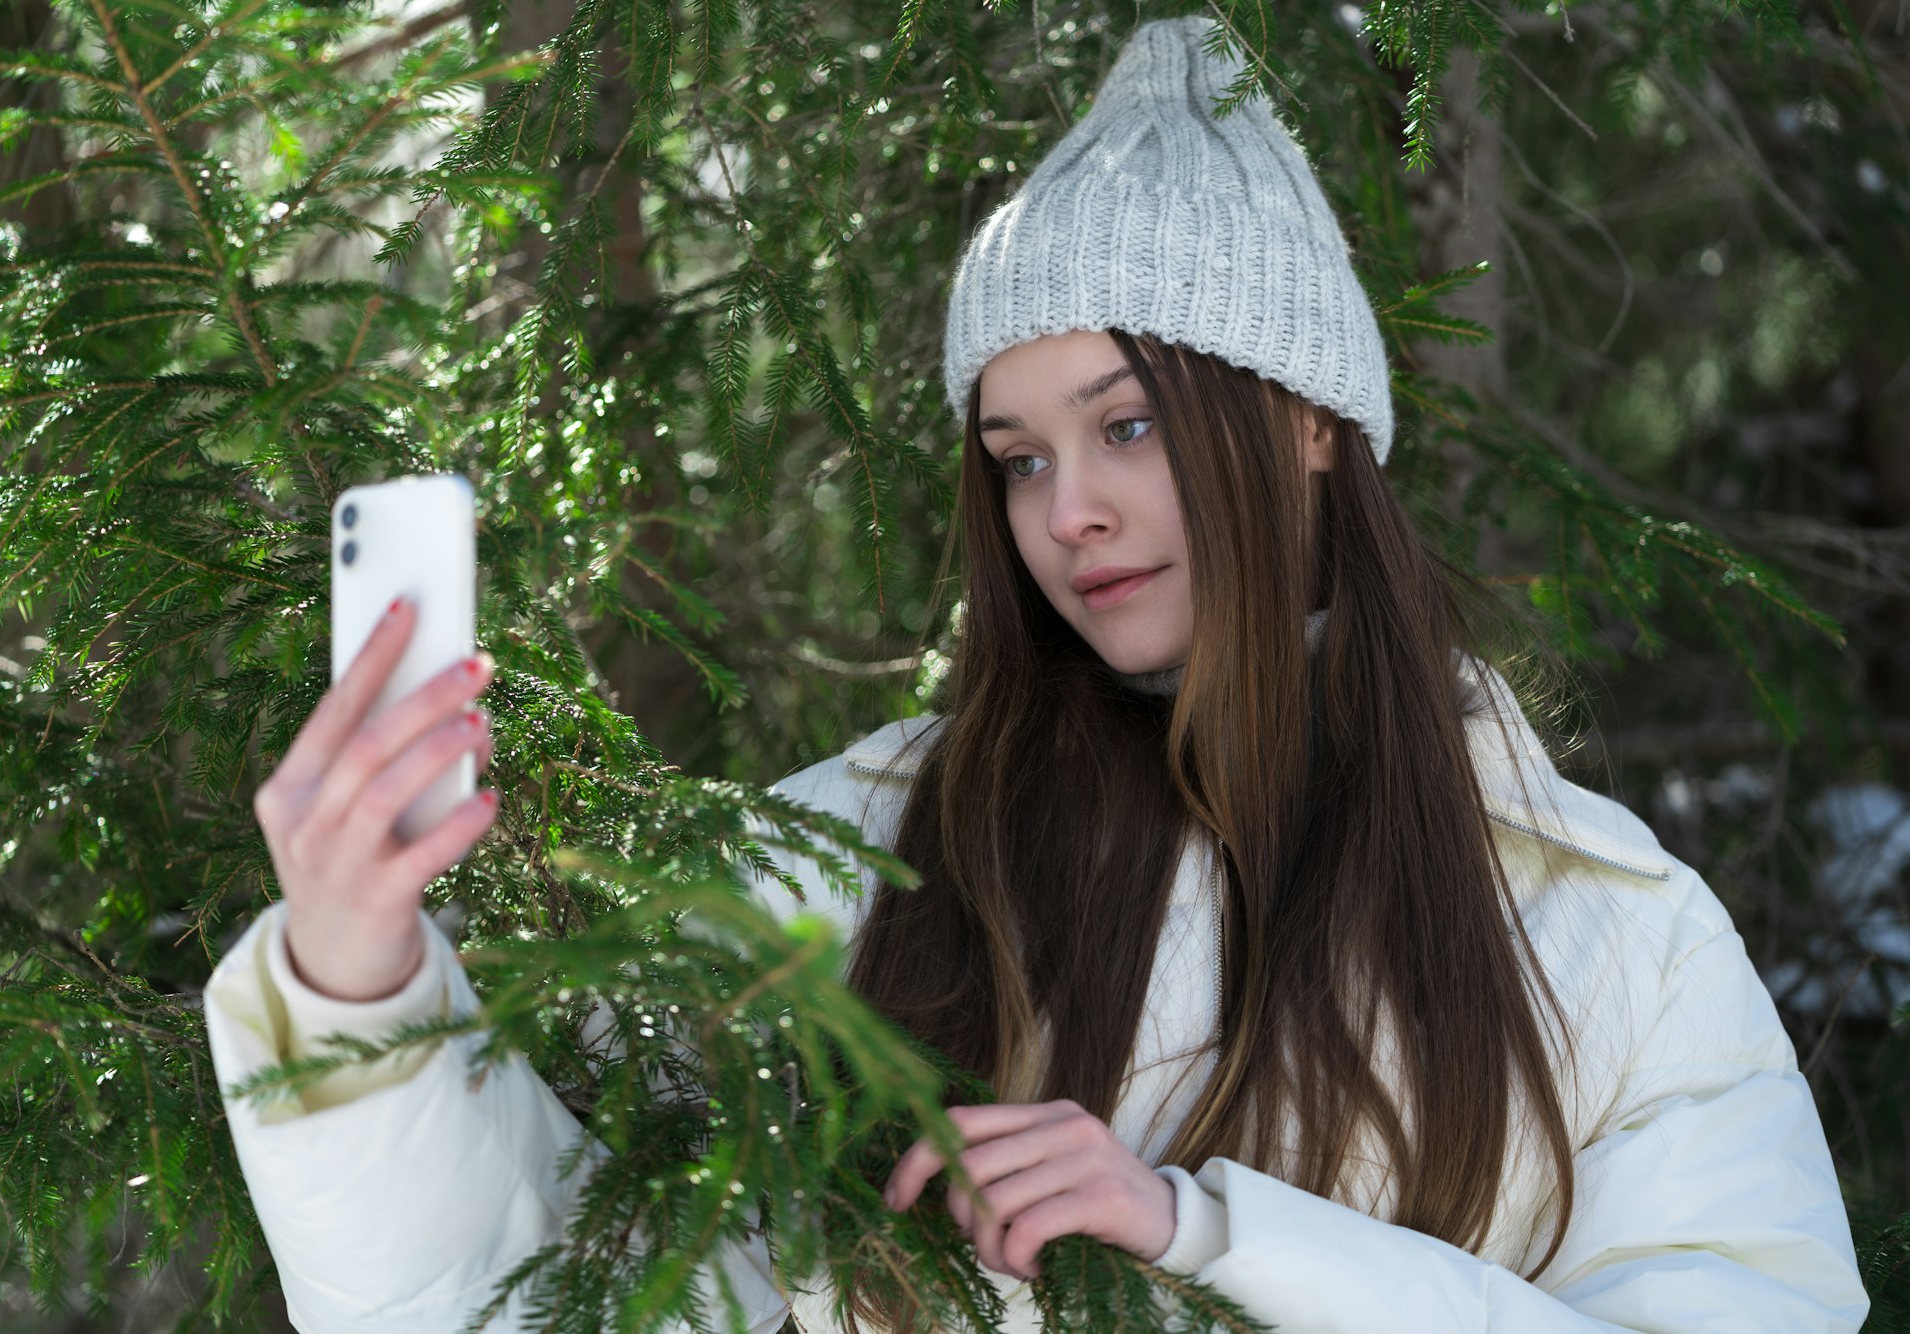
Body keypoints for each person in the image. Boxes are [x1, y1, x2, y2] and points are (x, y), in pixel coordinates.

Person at [202, 15, 1872, 1333]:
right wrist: (355, 994)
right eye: (1015, 454)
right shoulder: (847, 849)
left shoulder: (1606, 927)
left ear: (1301, 426)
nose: (1065, 509)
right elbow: (542, 1282)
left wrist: (1201, 1233)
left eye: (1127, 426)